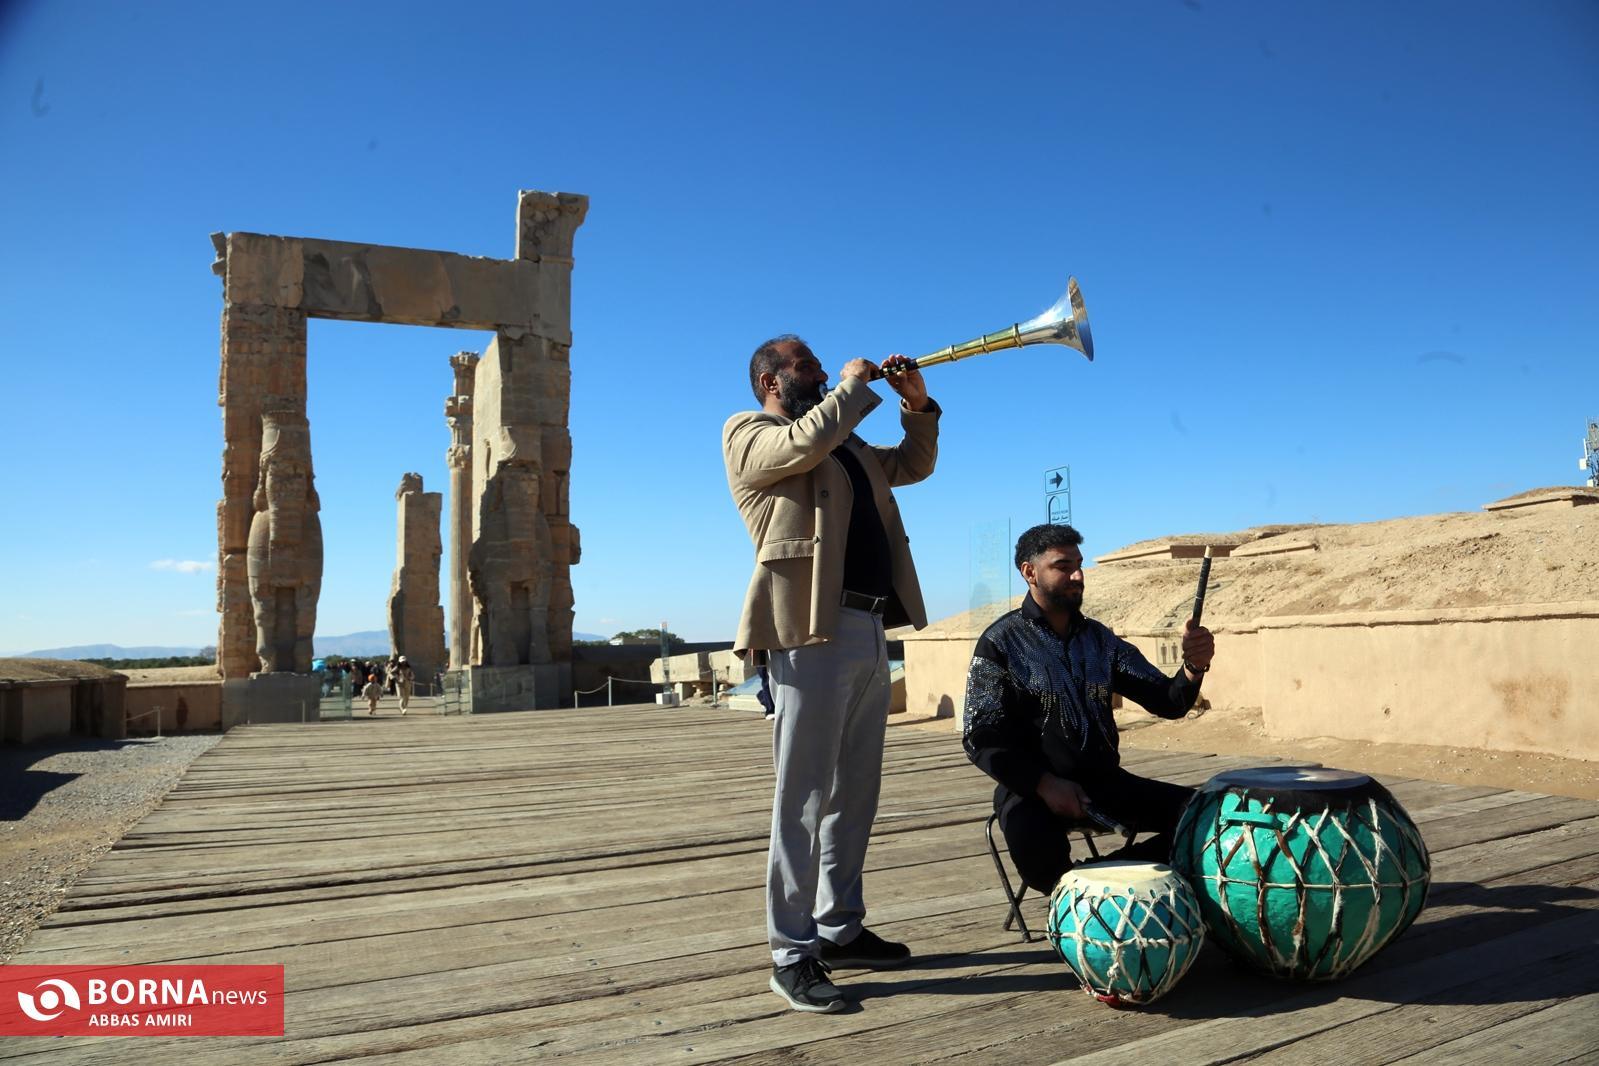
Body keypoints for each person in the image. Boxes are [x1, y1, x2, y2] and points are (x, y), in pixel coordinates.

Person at [723, 334, 941, 1013]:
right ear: (770, 380)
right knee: (803, 798)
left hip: (870, 625)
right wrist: (849, 387)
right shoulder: (749, 433)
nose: (819, 372)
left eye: (821, 366)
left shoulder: (844, 441)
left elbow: (912, 465)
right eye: (806, 366)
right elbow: (800, 446)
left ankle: (839, 926)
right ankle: (791, 953)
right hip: (809, 631)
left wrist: (916, 405)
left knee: (855, 793)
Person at [963, 523, 1216, 896]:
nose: (1078, 576)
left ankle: (1100, 880)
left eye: (1079, 565)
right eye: (1063, 566)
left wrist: (1193, 666)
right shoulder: (1000, 642)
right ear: (1030, 572)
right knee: (1044, 870)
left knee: (1208, 822)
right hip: (1030, 791)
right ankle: (1095, 886)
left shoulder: (1101, 640)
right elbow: (979, 736)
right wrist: (1044, 784)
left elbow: (1167, 701)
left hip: (1106, 784)